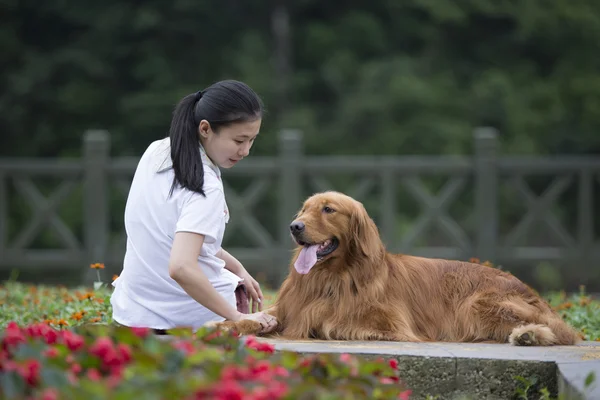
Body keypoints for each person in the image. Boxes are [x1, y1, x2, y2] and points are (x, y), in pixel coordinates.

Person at [110, 79, 278, 334]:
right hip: (191, 319)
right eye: (239, 140)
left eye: (252, 140)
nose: (245, 151)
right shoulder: (205, 185)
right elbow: (181, 266)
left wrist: (238, 267)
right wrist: (237, 316)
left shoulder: (156, 151)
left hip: (134, 313)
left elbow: (173, 238)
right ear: (205, 128)